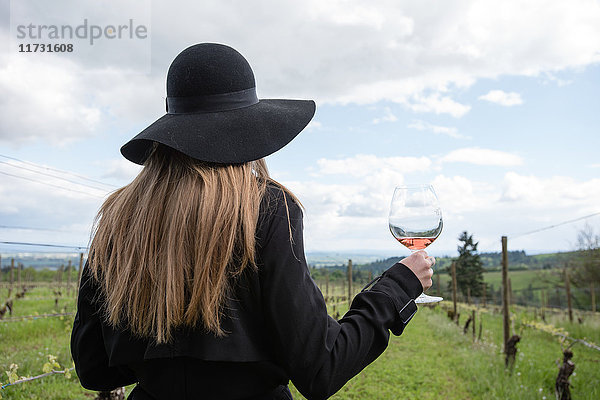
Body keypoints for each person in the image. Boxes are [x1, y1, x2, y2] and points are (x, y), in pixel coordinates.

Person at [71, 43, 435, 400]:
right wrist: (399, 286)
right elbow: (321, 368)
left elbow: (95, 369)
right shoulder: (268, 208)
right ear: (248, 130)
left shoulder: (118, 218)